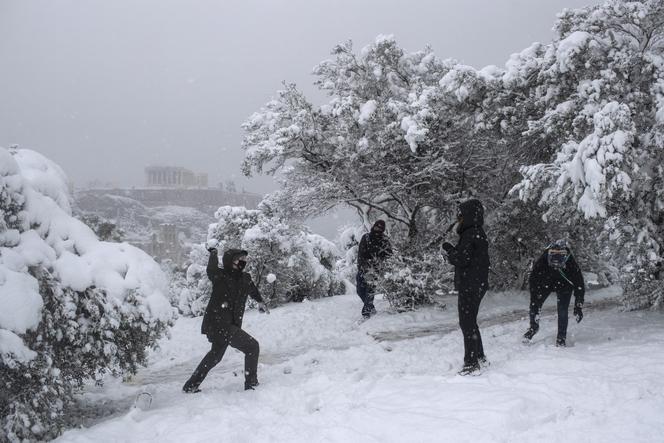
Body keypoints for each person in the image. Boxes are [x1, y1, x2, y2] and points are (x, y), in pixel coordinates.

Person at [182, 245, 269, 393]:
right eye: (239, 259)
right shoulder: (220, 276)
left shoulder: (245, 278)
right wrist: (213, 253)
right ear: (230, 261)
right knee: (252, 347)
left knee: (215, 356)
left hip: (230, 325)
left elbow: (253, 290)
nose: (243, 261)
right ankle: (251, 383)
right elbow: (211, 269)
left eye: (244, 259)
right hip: (218, 323)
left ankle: (191, 385)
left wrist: (260, 302)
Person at [442, 199, 490, 375]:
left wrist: (449, 249)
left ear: (467, 215)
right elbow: (469, 257)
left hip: (470, 284)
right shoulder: (478, 232)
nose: (458, 218)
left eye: (460, 214)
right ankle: (480, 356)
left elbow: (461, 259)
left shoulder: (471, 233)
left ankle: (471, 363)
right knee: (471, 321)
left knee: (466, 323)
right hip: (477, 283)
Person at [523, 239, 585, 347]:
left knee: (562, 310)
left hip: (565, 285)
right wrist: (535, 296)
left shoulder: (570, 261)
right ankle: (533, 327)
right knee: (535, 305)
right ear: (549, 252)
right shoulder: (544, 259)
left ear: (565, 254)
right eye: (553, 254)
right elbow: (534, 278)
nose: (557, 257)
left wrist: (578, 305)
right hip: (547, 282)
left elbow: (578, 282)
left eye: (561, 254)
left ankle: (561, 338)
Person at [356, 220, 392, 319]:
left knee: (370, 291)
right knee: (359, 291)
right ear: (374, 226)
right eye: (377, 226)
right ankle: (371, 308)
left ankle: (366, 312)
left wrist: (380, 264)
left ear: (383, 229)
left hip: (375, 269)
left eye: (380, 228)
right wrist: (361, 267)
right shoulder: (366, 237)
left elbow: (389, 255)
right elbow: (360, 254)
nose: (378, 229)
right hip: (363, 268)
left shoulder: (385, 240)